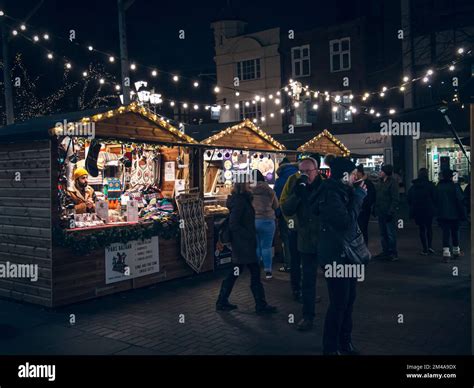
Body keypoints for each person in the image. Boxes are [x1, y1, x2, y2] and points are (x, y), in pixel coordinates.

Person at [314, 157, 367, 355]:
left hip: (348, 254)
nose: (356, 177)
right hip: (336, 255)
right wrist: (360, 196)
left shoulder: (343, 191)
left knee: (349, 299)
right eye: (353, 174)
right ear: (344, 175)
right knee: (339, 302)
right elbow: (345, 222)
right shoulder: (330, 193)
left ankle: (345, 342)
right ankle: (330, 347)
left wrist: (357, 194)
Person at [215, 178, 277, 314]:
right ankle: (260, 305)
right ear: (243, 186)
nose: (251, 186)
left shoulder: (243, 200)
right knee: (251, 272)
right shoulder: (241, 201)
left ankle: (222, 301)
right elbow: (234, 224)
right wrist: (248, 234)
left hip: (243, 244)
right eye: (249, 184)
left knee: (237, 272)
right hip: (244, 245)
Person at [281, 156, 324, 331]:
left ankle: (338, 317)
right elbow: (286, 208)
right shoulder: (296, 185)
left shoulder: (325, 187)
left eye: (308, 171)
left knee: (336, 281)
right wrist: (297, 195)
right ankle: (308, 316)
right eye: (302, 171)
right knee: (308, 280)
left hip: (325, 241)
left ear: (317, 171)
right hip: (306, 241)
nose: (305, 174)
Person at [251, 170, 279, 279]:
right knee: (266, 247)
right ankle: (268, 271)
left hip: (254, 220)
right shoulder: (269, 190)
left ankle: (256, 270)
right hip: (267, 220)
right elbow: (276, 205)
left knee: (257, 246)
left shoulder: (249, 191)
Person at [436, 169, 467, 262]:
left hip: (442, 214)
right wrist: (463, 213)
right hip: (454, 214)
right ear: (451, 177)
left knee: (445, 233)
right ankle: (456, 251)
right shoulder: (455, 186)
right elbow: (460, 200)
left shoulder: (439, 187)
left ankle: (446, 254)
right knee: (455, 232)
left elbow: (435, 199)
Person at [274, 158, 299, 273]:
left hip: (285, 215)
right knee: (298, 238)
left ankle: (289, 264)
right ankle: (300, 263)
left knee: (287, 240)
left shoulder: (280, 181)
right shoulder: (299, 177)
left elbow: (278, 200)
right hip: (299, 214)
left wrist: (278, 214)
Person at [407, 168, 437, 255]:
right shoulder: (430, 185)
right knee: (429, 228)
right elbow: (435, 197)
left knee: (421, 229)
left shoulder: (414, 186)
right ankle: (430, 246)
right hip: (428, 210)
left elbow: (409, 198)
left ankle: (424, 248)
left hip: (418, 210)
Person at [373, 164, 400, 261]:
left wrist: (391, 211)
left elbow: (395, 199)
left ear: (386, 173)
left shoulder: (392, 183)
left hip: (388, 212)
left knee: (390, 233)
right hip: (381, 211)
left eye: (382, 171)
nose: (380, 172)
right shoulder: (380, 182)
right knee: (383, 233)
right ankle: (385, 251)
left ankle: (393, 252)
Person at [355, 164, 376, 245]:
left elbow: (370, 197)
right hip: (361, 209)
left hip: (363, 210)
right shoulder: (360, 182)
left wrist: (364, 206)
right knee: (360, 230)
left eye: (356, 173)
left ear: (360, 173)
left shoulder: (366, 183)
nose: (355, 175)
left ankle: (363, 247)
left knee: (362, 229)